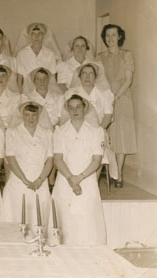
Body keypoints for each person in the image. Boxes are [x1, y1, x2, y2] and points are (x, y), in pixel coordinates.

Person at [51, 94, 106, 245]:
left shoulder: (96, 131)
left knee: (87, 221)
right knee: (65, 220)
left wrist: (79, 178)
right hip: (65, 180)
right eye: (71, 107)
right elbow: (58, 159)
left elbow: (97, 160)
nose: (75, 110)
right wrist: (71, 179)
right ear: (67, 110)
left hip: (87, 180)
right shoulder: (60, 131)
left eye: (78, 107)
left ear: (84, 108)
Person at [3, 101, 53, 234]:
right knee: (18, 218)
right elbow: (11, 158)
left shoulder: (47, 133)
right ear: (22, 115)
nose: (31, 118)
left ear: (39, 116)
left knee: (39, 220)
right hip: (19, 182)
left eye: (34, 115)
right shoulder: (12, 132)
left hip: (40, 182)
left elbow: (50, 159)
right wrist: (24, 180)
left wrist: (40, 180)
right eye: (27, 115)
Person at [97, 24, 137, 188]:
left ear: (119, 36)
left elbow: (128, 80)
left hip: (122, 99)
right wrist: (106, 97)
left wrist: (116, 97)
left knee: (120, 137)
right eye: (107, 36)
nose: (110, 39)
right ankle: (109, 171)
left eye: (114, 35)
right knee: (106, 136)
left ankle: (118, 175)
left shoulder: (126, 55)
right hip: (104, 99)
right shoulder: (99, 56)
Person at [14, 23, 61, 92]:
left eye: (39, 34)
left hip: (45, 91)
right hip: (27, 92)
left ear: (43, 36)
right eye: (33, 34)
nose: (36, 36)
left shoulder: (50, 54)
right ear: (29, 36)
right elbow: (19, 80)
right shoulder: (21, 54)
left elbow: (52, 79)